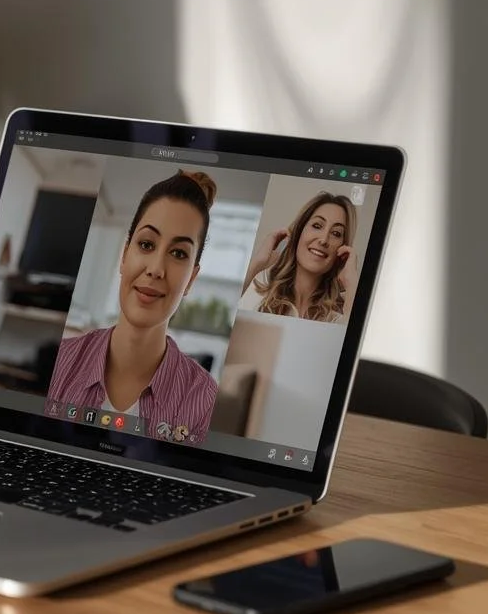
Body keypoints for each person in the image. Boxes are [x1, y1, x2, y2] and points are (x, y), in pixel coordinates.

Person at [46, 169, 221, 443]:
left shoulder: (204, 399)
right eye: (147, 244)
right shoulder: (60, 362)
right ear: (125, 255)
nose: (156, 269)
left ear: (191, 279)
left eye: (178, 253)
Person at [243, 192, 358, 323]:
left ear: (342, 250)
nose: (324, 240)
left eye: (336, 233)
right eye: (317, 226)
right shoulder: (256, 294)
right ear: (299, 232)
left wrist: (351, 283)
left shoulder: (338, 318)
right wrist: (257, 264)